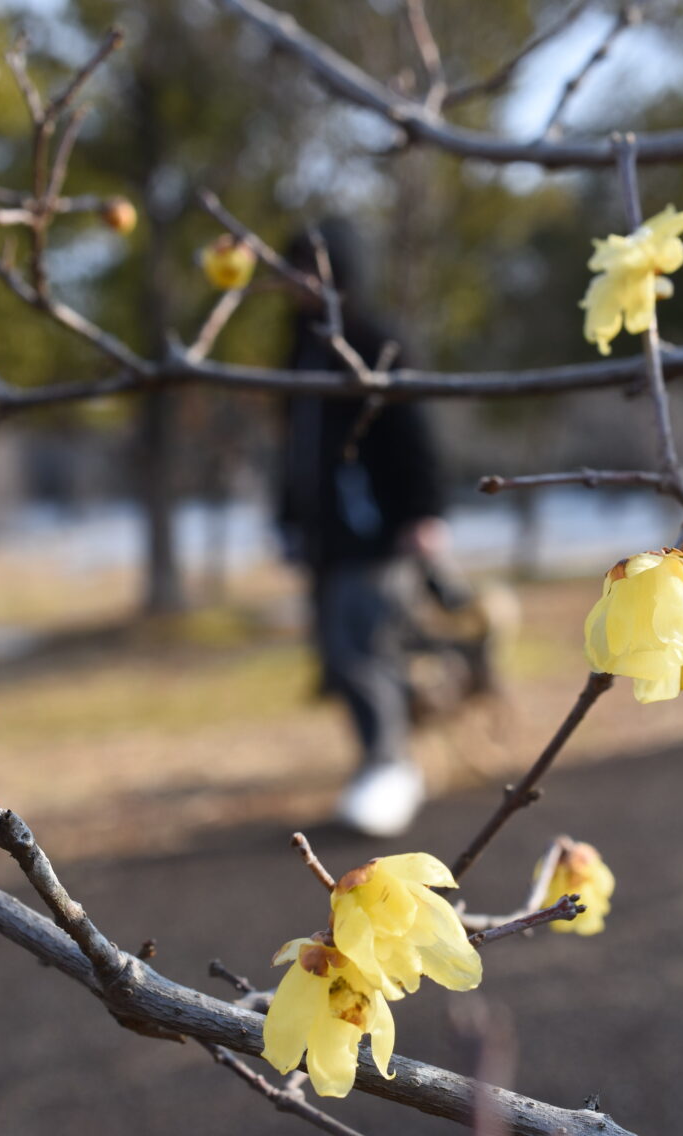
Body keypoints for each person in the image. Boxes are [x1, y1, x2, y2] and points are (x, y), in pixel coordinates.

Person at [275, 218, 449, 836]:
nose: (295, 280)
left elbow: (413, 435)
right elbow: (293, 452)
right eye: (291, 266)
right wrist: (289, 521)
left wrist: (424, 511)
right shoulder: (296, 349)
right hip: (325, 540)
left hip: (376, 537)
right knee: (338, 657)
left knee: (364, 648)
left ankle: (391, 767)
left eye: (309, 267)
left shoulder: (374, 340)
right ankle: (381, 763)